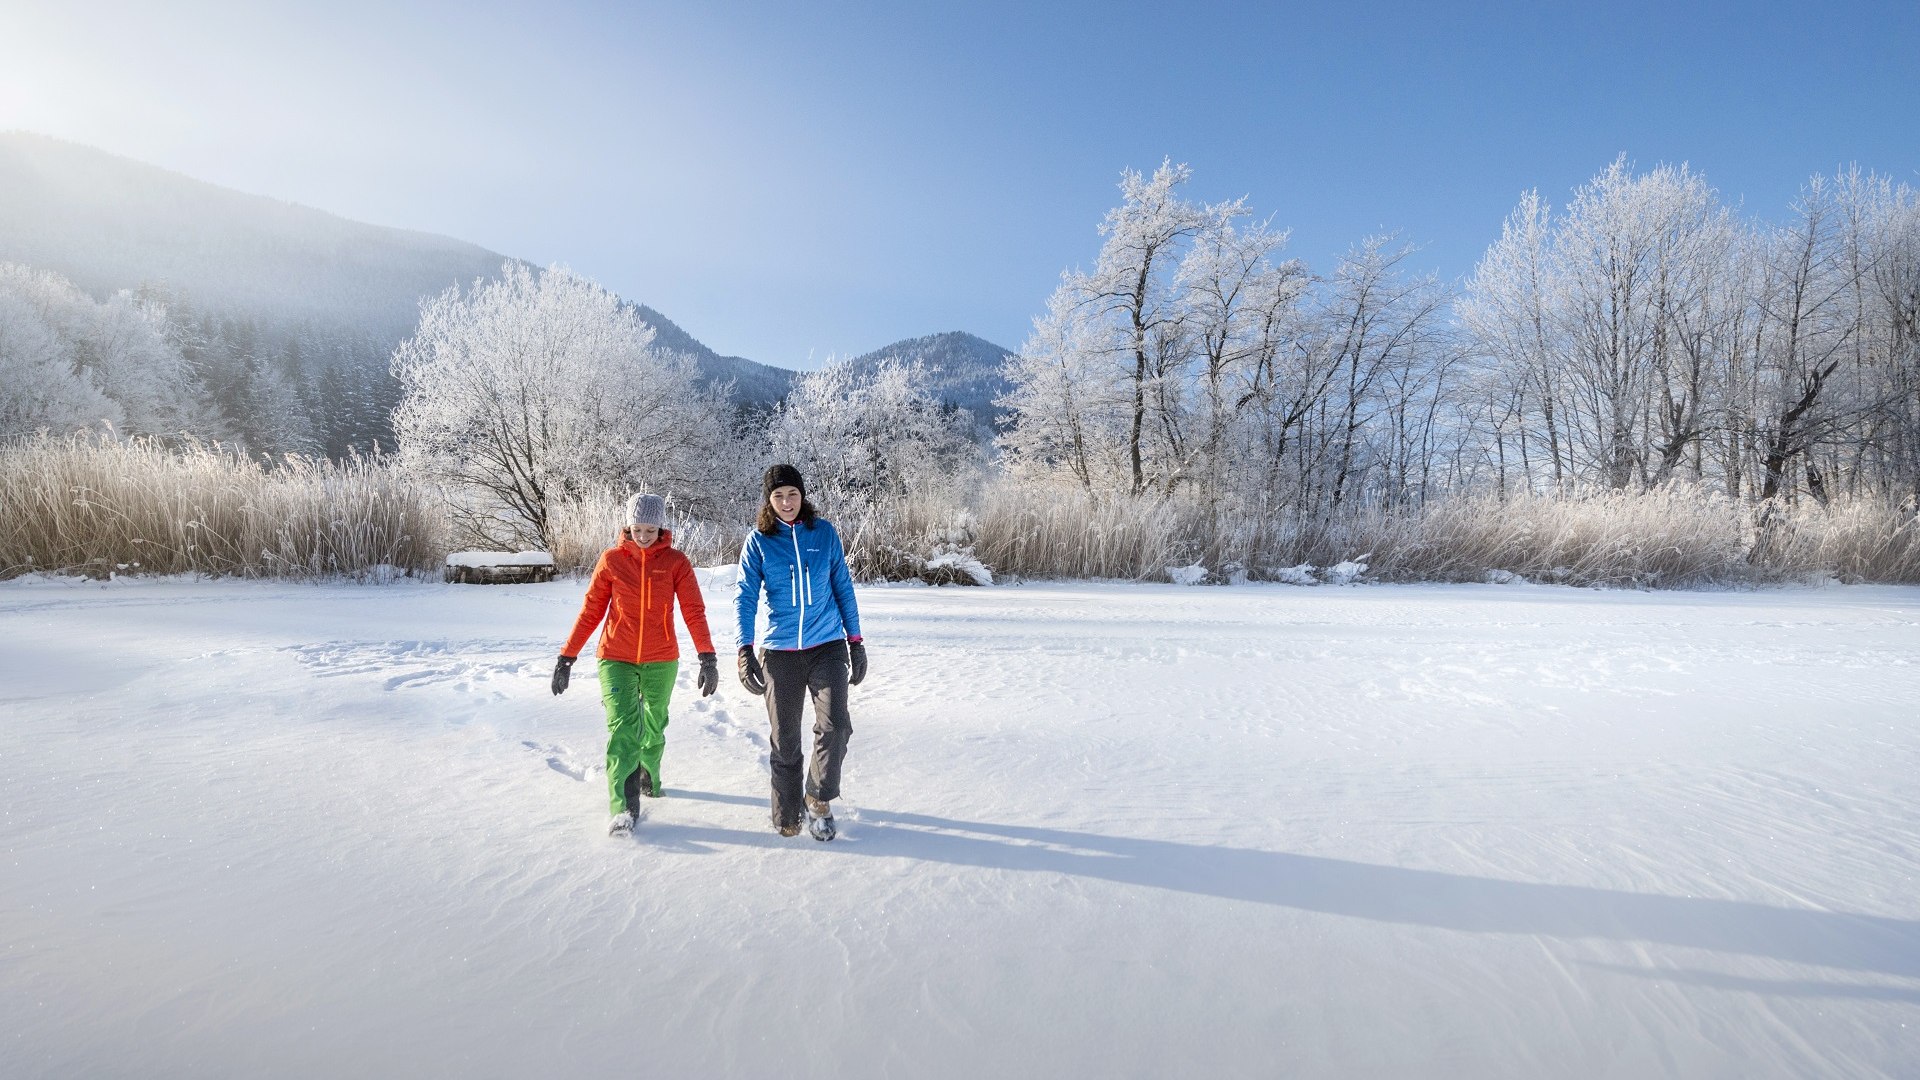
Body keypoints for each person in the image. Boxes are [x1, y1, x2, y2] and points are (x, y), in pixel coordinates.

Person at [552, 493, 719, 836]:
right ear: (628, 527)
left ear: (661, 528)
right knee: (623, 729)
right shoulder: (612, 560)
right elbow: (591, 610)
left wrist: (708, 656)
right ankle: (624, 809)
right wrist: (567, 656)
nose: (643, 536)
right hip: (616, 657)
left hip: (661, 658)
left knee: (654, 725)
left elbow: (693, 611)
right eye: (637, 529)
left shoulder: (676, 562)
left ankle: (648, 774)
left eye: (650, 529)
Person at [734, 464, 867, 840]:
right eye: (778, 496)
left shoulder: (823, 534)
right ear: (769, 500)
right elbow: (744, 598)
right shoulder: (759, 541)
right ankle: (787, 808)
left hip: (827, 645)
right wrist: (744, 648)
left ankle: (819, 799)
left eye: (792, 494)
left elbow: (843, 587)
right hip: (780, 651)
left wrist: (855, 642)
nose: (786, 502)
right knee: (785, 737)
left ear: (802, 495)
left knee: (836, 724)